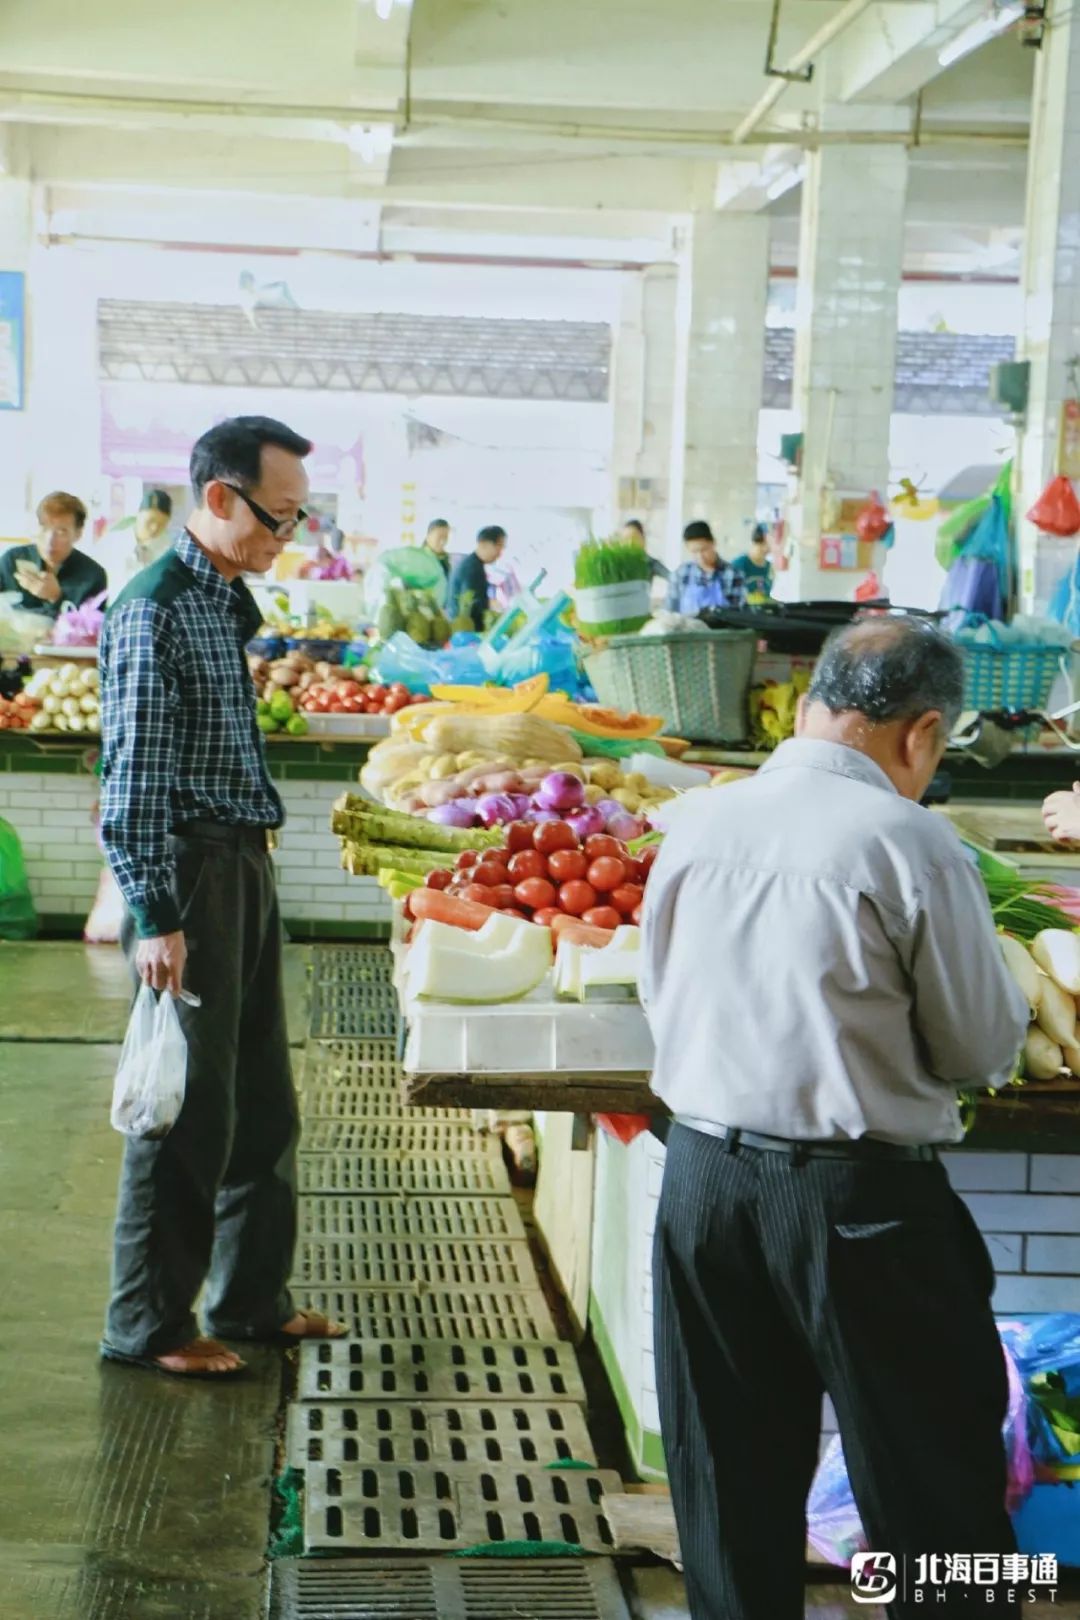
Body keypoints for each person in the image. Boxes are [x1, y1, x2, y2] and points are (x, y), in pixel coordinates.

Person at [641, 617, 1028, 1620]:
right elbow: (979, 1048)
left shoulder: (699, 822)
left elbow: (658, 998)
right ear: (922, 732)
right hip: (859, 1206)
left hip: (701, 1189)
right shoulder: (910, 842)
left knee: (727, 1484)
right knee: (933, 1490)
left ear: (816, 701)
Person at [98, 415, 347, 1380]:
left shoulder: (221, 599)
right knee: (185, 1110)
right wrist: (154, 914)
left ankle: (250, 1299)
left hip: (242, 860)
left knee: (260, 1101)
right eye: (278, 517)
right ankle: (150, 1325)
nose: (288, 536)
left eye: (297, 517)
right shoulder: (155, 607)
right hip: (190, 872)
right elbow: (131, 778)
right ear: (216, 497)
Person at [0, 492, 107, 620]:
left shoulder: (93, 576)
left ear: (78, 534)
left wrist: (56, 597)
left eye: (61, 532)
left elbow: (91, 629)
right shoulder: (12, 559)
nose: (50, 540)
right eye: (44, 529)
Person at [94, 488, 175, 596]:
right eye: (150, 521)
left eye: (162, 524)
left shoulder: (169, 550)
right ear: (138, 515)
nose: (154, 528)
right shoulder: (112, 543)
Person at [665, 520, 746, 615]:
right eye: (694, 551)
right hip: (687, 629)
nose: (700, 556)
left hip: (722, 629)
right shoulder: (680, 574)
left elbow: (738, 613)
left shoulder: (733, 574)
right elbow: (670, 613)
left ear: (713, 543)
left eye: (703, 550)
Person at [448, 524, 506, 632]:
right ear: (483, 544)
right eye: (498, 547)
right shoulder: (472, 569)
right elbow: (472, 606)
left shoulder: (474, 564)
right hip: (465, 633)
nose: (500, 554)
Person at [731, 522, 774, 599]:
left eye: (769, 545)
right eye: (762, 544)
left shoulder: (769, 567)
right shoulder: (739, 563)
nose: (766, 549)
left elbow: (767, 594)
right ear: (754, 542)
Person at [620, 517, 670, 583]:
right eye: (626, 539)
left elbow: (672, 578)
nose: (630, 543)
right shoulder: (615, 563)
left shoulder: (650, 563)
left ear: (643, 539)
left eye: (634, 538)